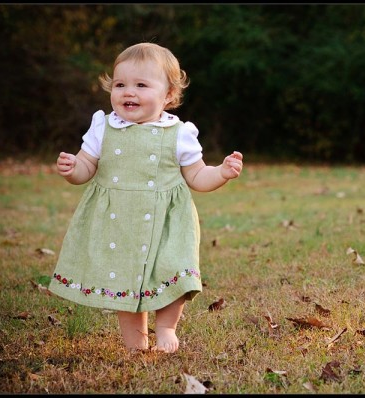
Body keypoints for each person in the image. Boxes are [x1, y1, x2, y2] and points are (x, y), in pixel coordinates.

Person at [49, 42, 243, 353]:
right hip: (119, 221)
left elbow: (196, 176)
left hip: (167, 220)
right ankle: (135, 344)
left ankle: (166, 326)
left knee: (172, 269)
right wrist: (73, 168)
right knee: (125, 279)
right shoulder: (104, 128)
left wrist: (221, 172)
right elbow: (87, 167)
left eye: (141, 85)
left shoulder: (179, 133)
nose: (129, 92)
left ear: (168, 95)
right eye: (121, 84)